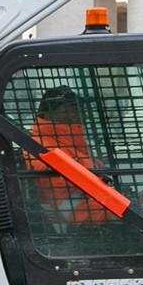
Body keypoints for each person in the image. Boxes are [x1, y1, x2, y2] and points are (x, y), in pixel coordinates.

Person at [28, 87, 100, 225]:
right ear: (49, 114)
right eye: (71, 108)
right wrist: (124, 211)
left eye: (79, 107)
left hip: (92, 214)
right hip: (80, 225)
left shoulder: (70, 142)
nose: (80, 112)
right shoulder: (44, 147)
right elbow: (66, 203)